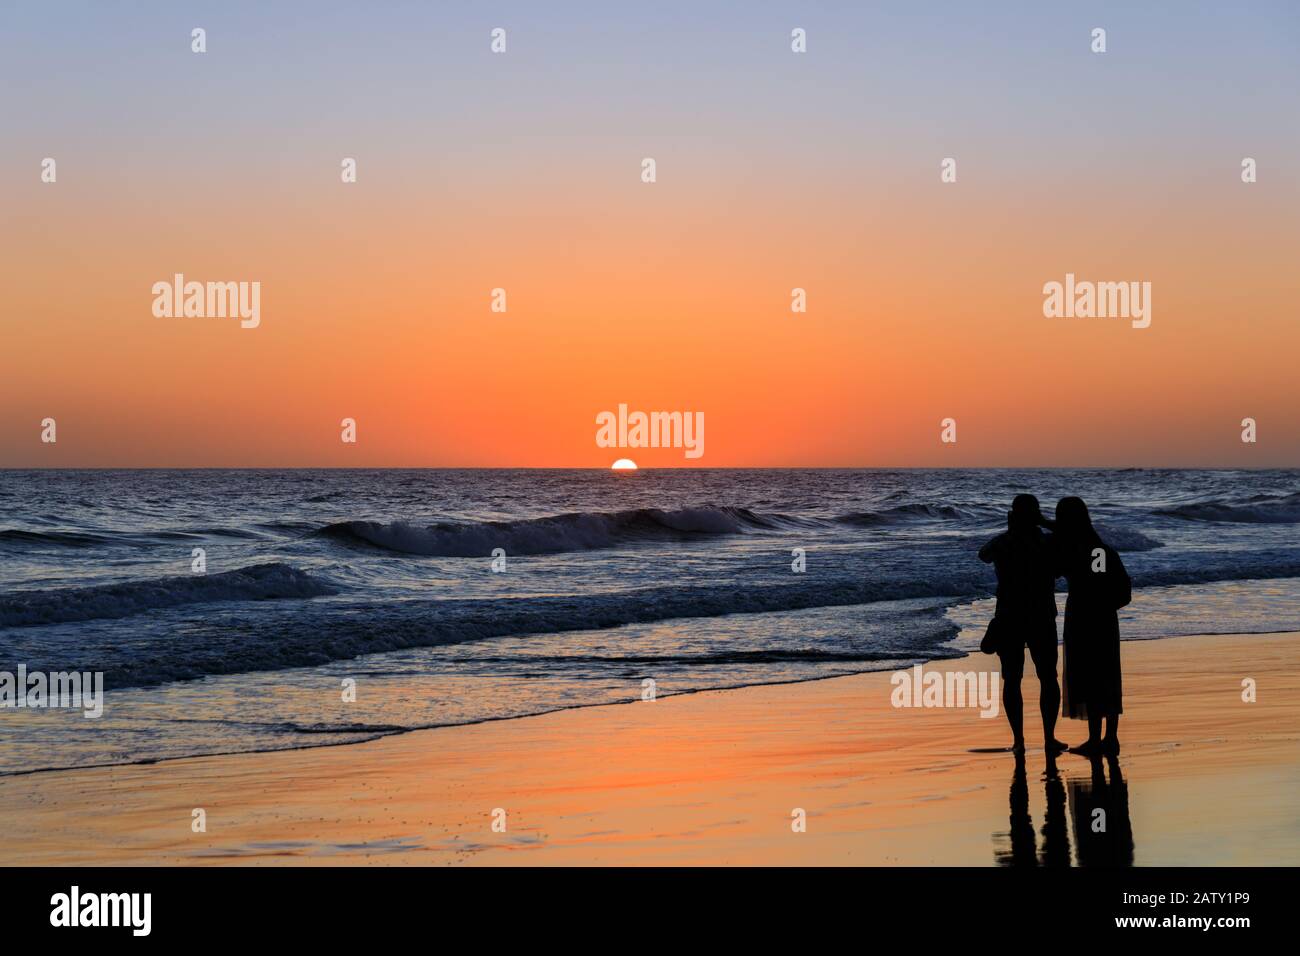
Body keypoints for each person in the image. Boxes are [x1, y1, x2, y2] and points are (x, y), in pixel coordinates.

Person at [979, 494, 1067, 755]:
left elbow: (983, 555)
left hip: (1009, 616)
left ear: (1013, 515)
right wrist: (1044, 523)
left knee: (1012, 678)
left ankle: (1019, 740)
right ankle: (1049, 738)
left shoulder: (1003, 543)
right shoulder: (1047, 542)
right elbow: (1068, 540)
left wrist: (1010, 529)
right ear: (1037, 514)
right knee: (1048, 676)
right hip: (1041, 614)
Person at [1053, 496, 1129, 755]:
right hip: (1103, 618)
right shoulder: (1101, 550)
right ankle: (1109, 738)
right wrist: (1105, 607)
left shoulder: (1076, 550)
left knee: (1088, 674)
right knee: (1106, 675)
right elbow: (1123, 592)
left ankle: (1097, 740)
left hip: (1083, 617)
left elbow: (1056, 570)